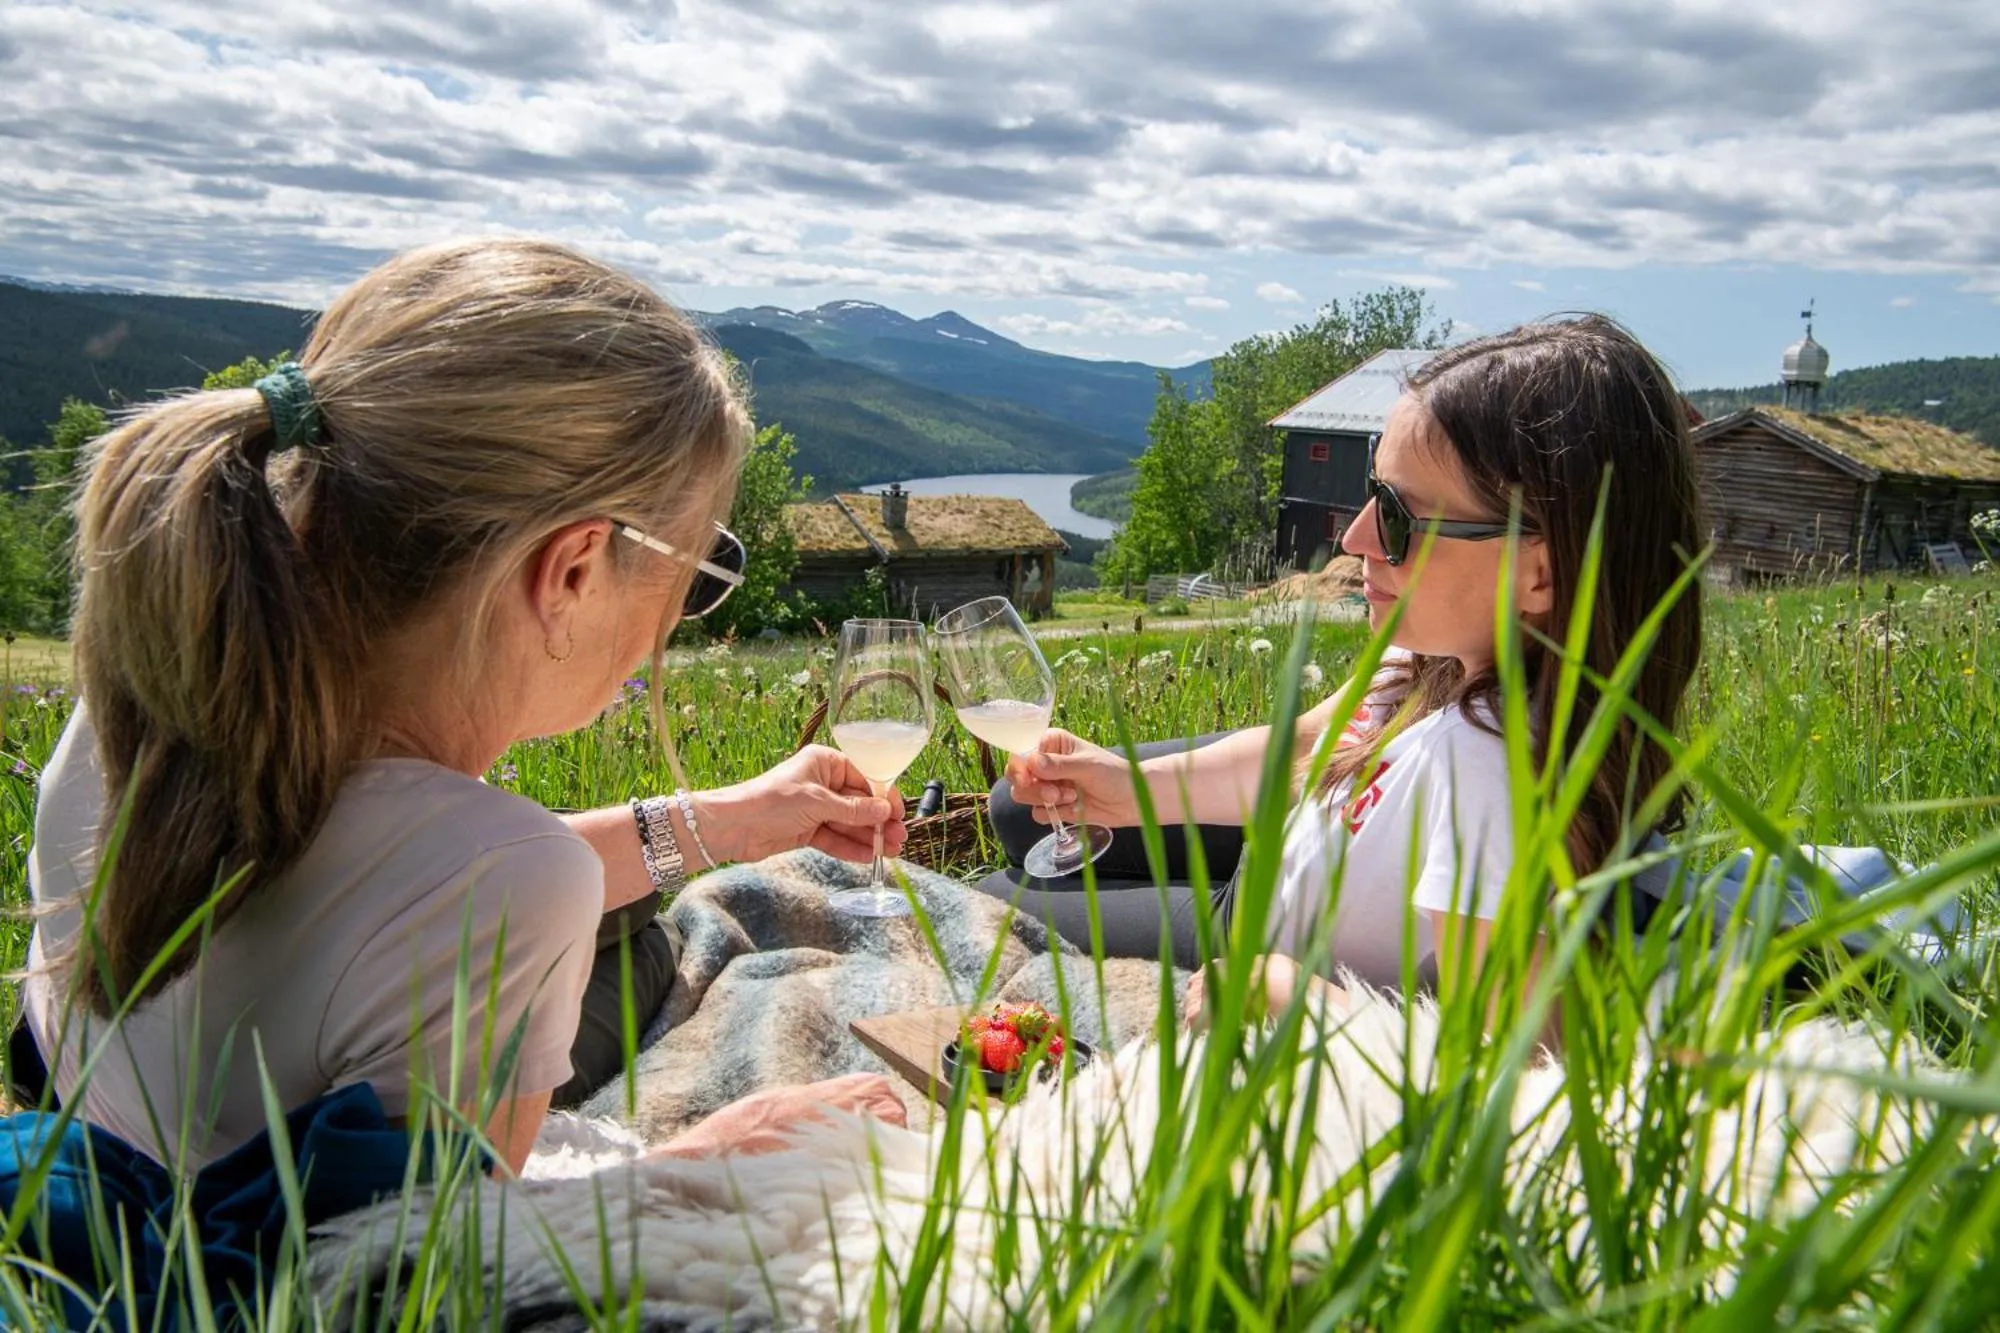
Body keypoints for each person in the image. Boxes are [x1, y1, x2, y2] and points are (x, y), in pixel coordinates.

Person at [20, 238, 909, 1178]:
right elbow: (433, 1270)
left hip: (97, 1152)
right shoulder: (506, 884)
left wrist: (721, 822)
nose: (682, 614)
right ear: (568, 570)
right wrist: (709, 1157)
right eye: (697, 569)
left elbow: (388, 882)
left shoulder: (153, 699)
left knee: (642, 943)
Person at [990, 316, 1704, 1017]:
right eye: (1371, 490)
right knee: (1016, 806)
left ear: (1538, 574)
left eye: (1398, 515)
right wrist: (1128, 791)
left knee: (998, 903)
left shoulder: (1493, 773)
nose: (1355, 534)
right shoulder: (1443, 646)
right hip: (1285, 849)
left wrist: (1290, 994)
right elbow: (1314, 742)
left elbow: (1514, 1073)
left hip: (1255, 930)